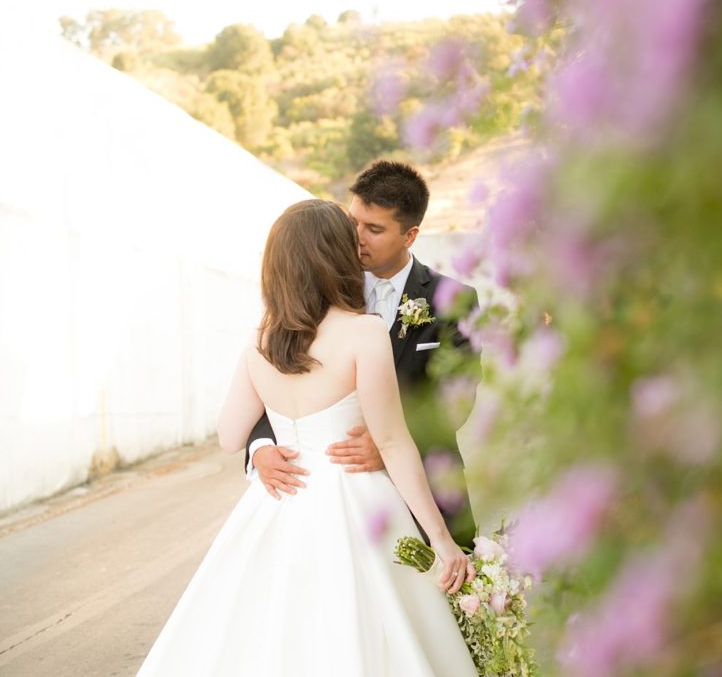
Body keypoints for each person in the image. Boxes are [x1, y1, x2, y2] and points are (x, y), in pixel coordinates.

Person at [138, 200, 478, 676]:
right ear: (337, 256)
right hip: (356, 498)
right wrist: (441, 541)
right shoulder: (364, 333)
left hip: (279, 500)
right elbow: (394, 443)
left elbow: (230, 434)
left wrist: (266, 445)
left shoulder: (262, 339)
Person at [246, 161, 479, 548]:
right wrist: (260, 447)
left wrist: (389, 441)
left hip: (431, 488)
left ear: (410, 235)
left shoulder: (453, 300)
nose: (357, 238)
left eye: (374, 229)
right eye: (353, 222)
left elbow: (458, 398)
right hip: (337, 507)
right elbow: (278, 370)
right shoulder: (313, 294)